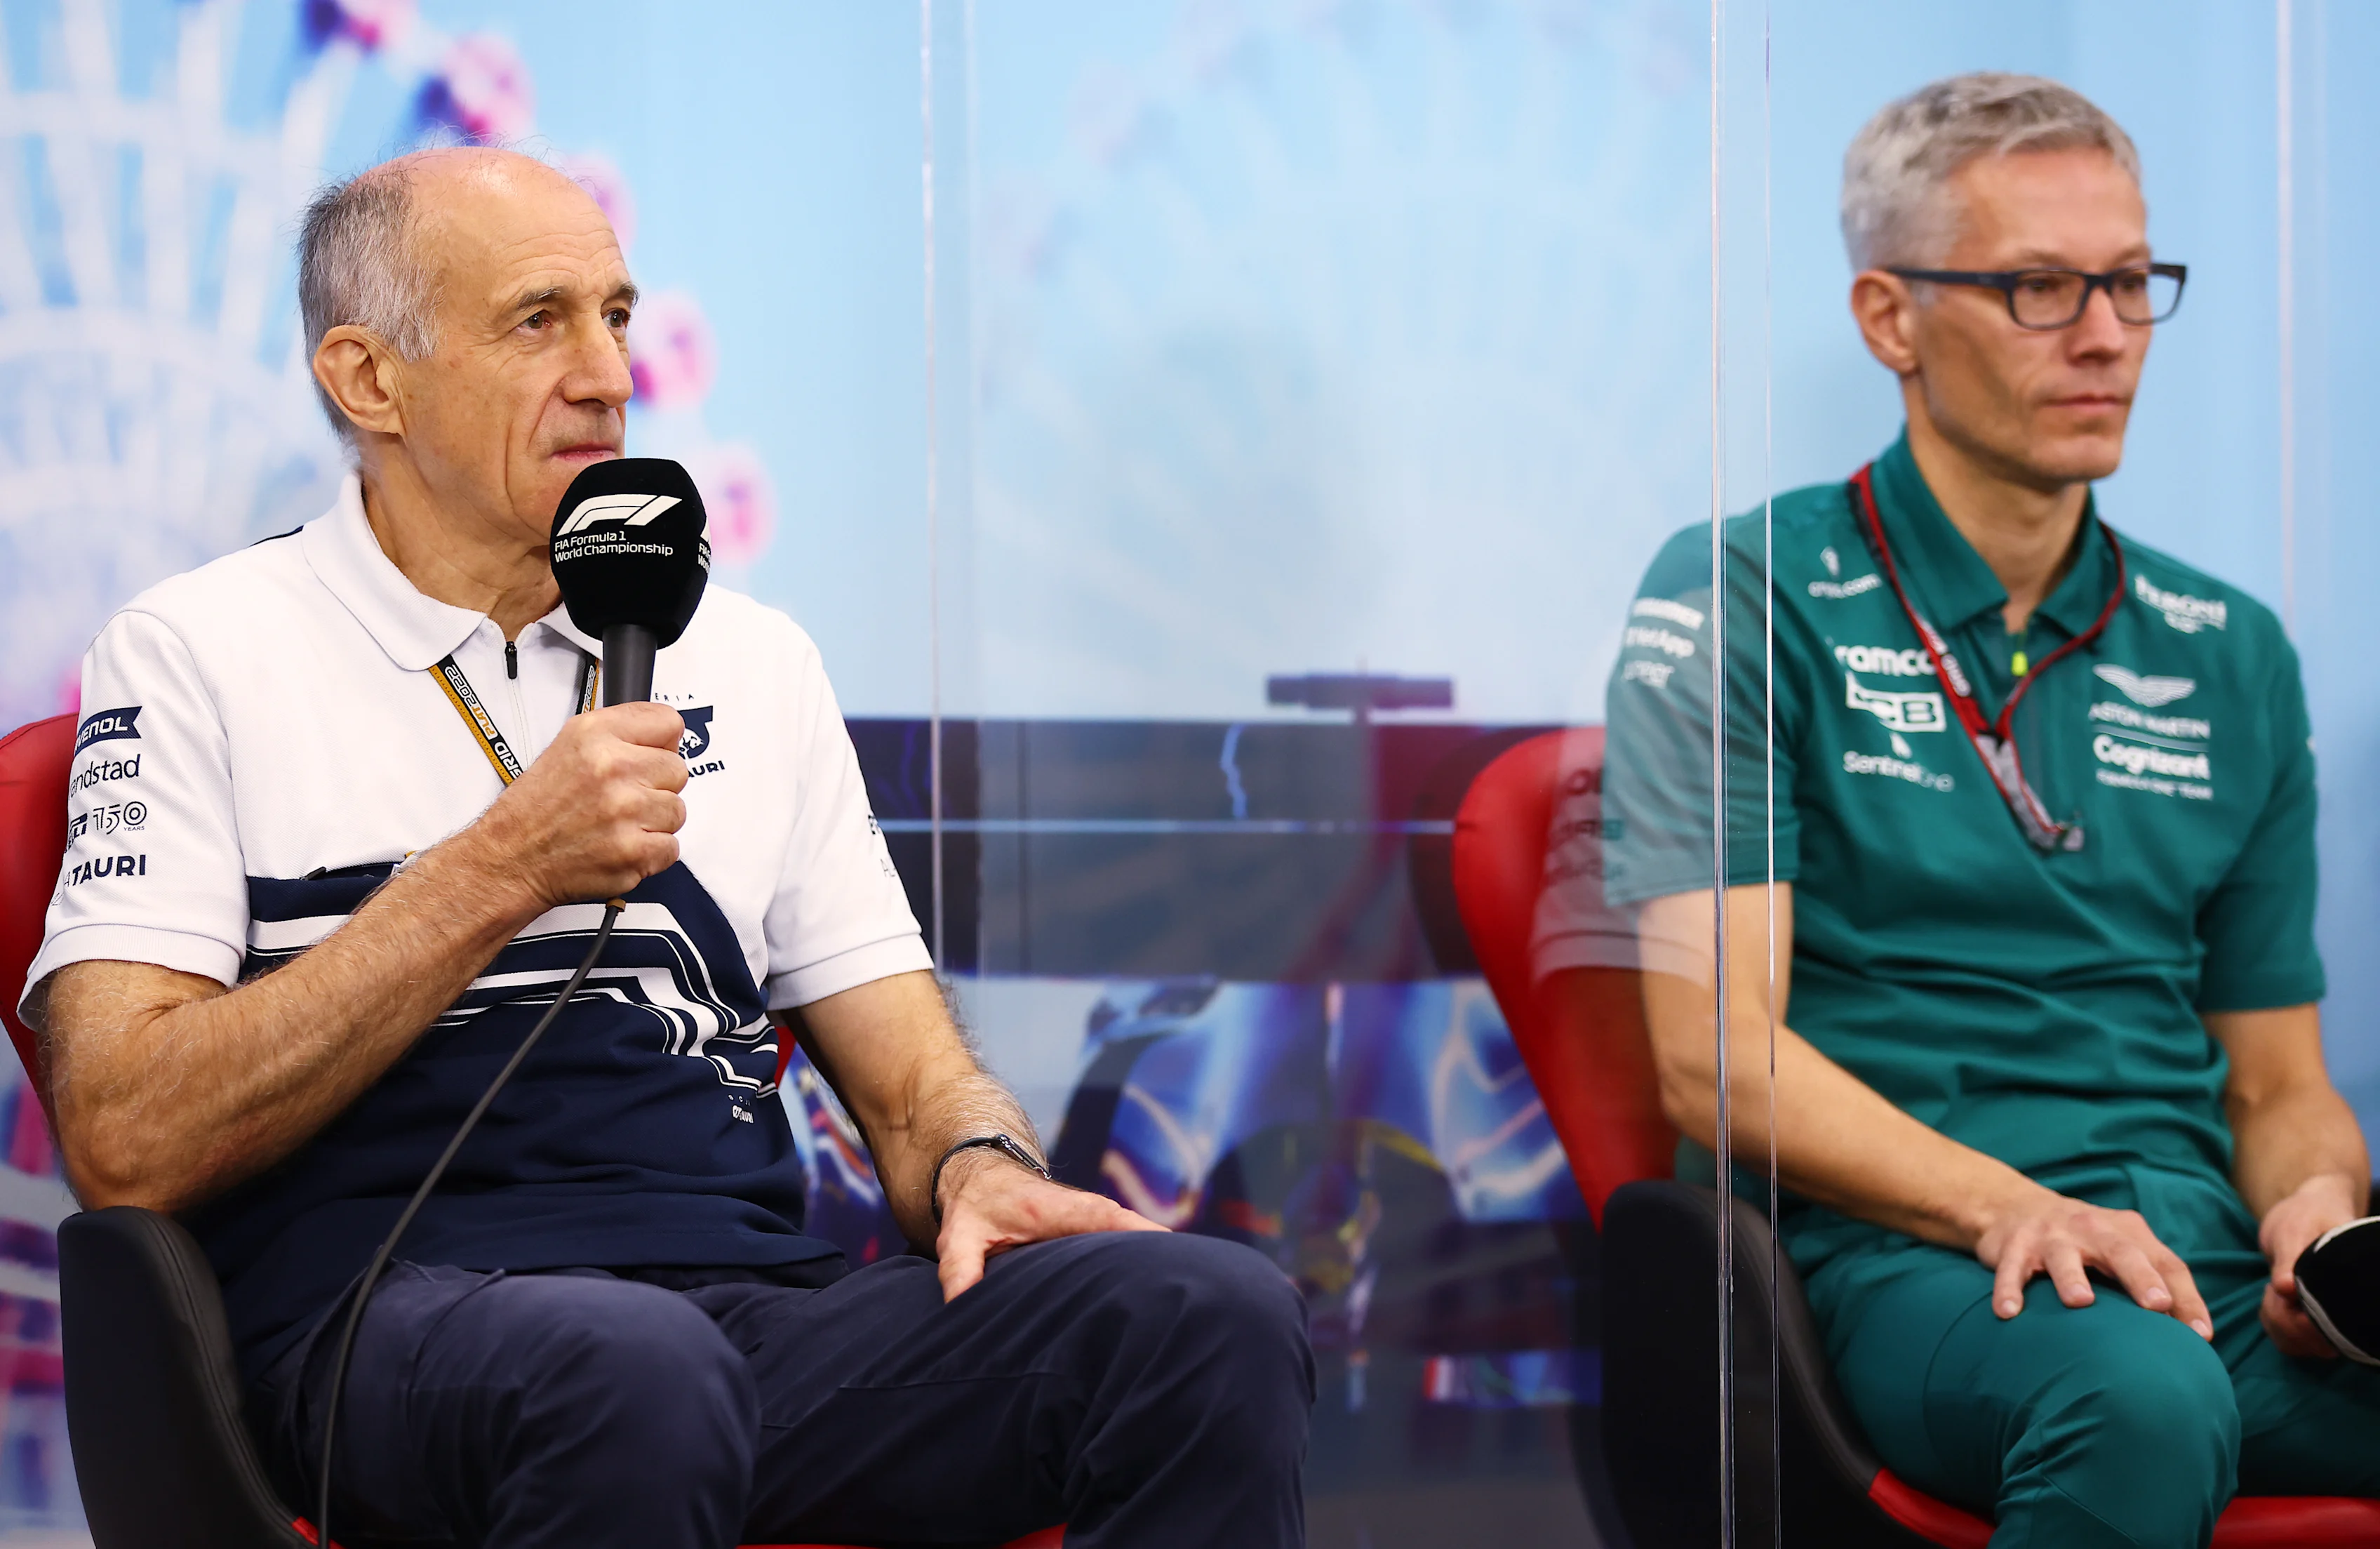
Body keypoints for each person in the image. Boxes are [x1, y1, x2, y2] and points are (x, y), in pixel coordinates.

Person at [19, 147, 1311, 1549]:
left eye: (619, 315)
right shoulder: (197, 650)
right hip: (380, 1320)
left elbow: (910, 1081)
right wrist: (507, 859)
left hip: (751, 1312)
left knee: (1203, 1314)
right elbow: (126, 1133)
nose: (606, 372)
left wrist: (973, 1159)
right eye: (538, 319)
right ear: (368, 379)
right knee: (632, 1369)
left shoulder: (751, 657)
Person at [1596, 73, 2380, 1543]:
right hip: (1916, 1248)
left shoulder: (2230, 647)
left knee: (2174, 1357)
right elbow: (1718, 1063)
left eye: (2132, 283)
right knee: (2136, 1397)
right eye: (2037, 287)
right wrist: (2005, 1203)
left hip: (2194, 1252)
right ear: (1889, 319)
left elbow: (2276, 1085)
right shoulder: (1743, 592)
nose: (2104, 336)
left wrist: (2316, 1215)